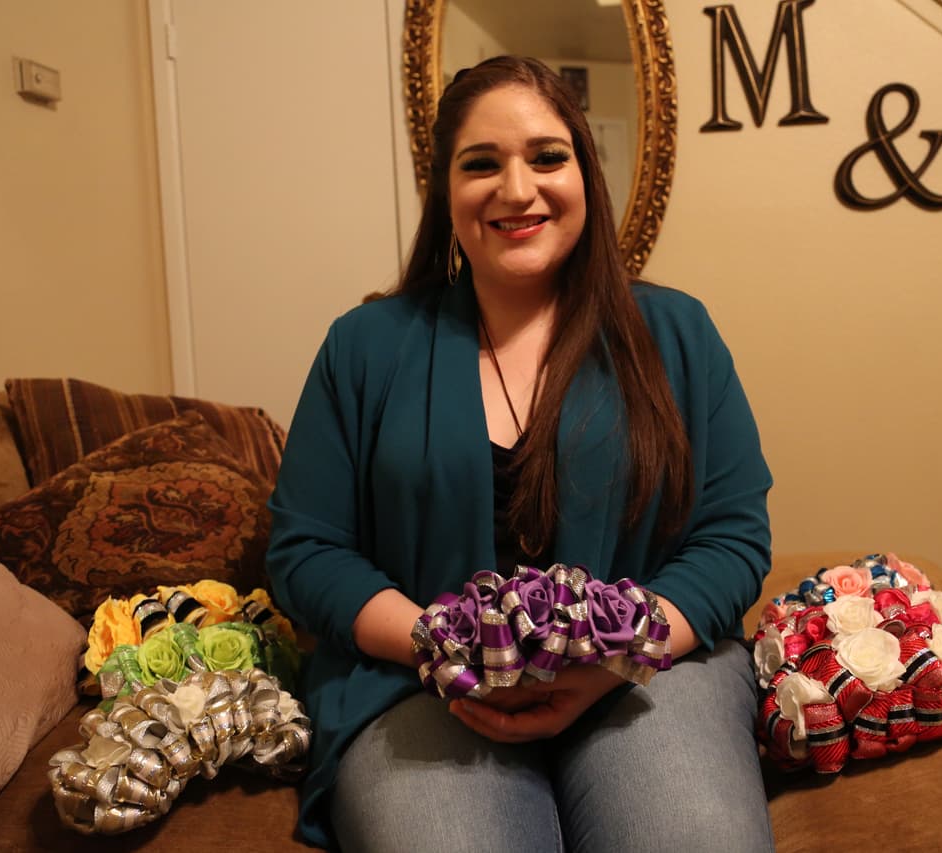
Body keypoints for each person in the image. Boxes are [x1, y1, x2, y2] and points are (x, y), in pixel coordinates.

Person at [267, 55, 775, 852]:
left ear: (585, 174)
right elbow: (308, 549)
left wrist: (617, 654)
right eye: (481, 163)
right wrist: (444, 644)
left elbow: (733, 537)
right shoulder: (363, 347)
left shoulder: (677, 334)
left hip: (647, 674)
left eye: (547, 156)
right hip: (417, 683)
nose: (516, 188)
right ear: (445, 191)